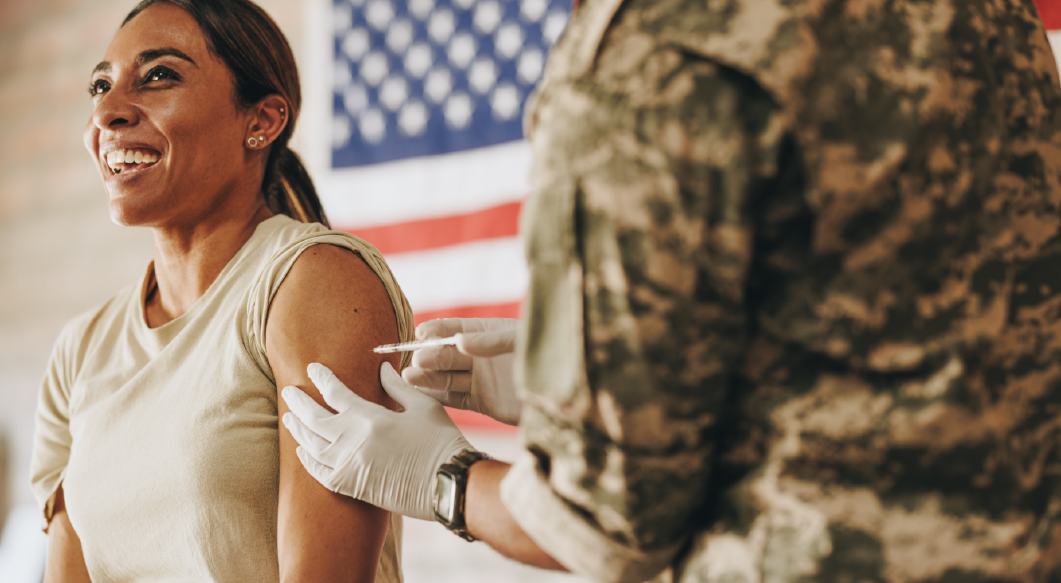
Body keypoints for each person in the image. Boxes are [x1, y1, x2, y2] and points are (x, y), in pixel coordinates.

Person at [284, 0, 1061, 580]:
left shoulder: (652, 61)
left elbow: (608, 526)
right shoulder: (984, 12)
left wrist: (441, 476)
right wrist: (597, 375)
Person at [29, 1, 413, 581]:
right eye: (100, 86)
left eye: (159, 75)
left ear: (261, 121)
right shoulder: (80, 351)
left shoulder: (312, 280)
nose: (107, 112)